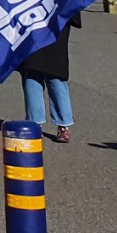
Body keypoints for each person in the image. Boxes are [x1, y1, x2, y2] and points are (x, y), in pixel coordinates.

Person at [18, 15, 79, 144]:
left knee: (56, 79)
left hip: (56, 29)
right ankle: (34, 124)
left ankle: (63, 125)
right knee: (31, 77)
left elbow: (73, 5)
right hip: (32, 28)